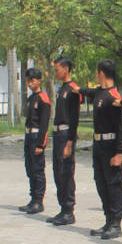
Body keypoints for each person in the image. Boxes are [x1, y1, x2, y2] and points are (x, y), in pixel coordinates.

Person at [78, 60, 122, 240]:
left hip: (110, 145)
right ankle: (108, 220)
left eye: (97, 72)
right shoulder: (99, 92)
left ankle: (116, 224)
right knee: (101, 182)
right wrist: (74, 88)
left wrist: (119, 152)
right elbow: (85, 91)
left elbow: (120, 127)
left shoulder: (114, 96)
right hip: (98, 144)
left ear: (102, 73)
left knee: (113, 184)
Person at [48, 57, 80, 226]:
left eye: (58, 69)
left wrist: (70, 142)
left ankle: (68, 210)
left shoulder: (73, 89)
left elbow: (74, 118)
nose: (56, 72)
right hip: (58, 133)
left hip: (66, 134)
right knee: (58, 171)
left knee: (66, 172)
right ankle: (62, 208)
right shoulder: (62, 89)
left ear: (66, 68)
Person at [19, 68, 51, 215]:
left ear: (39, 81)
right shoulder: (31, 98)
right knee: (30, 168)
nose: (30, 83)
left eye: (32, 80)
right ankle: (33, 199)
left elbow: (44, 124)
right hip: (28, 136)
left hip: (36, 136)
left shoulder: (43, 99)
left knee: (38, 170)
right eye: (28, 80)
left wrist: (41, 144)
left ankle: (39, 201)